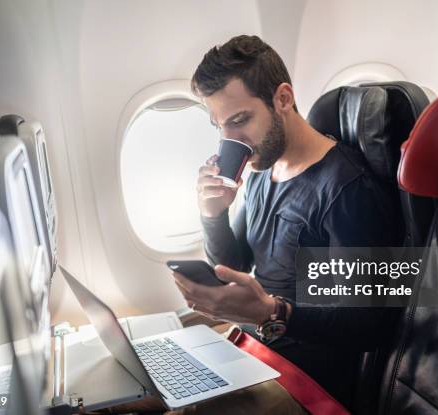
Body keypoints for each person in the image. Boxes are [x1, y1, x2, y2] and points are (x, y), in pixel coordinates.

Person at [172, 34, 402, 411]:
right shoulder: (264, 171)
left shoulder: (346, 191)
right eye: (220, 127)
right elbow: (234, 266)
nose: (232, 141)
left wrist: (271, 312)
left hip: (305, 383)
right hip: (252, 354)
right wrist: (213, 215)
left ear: (282, 98)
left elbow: (368, 324)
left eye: (240, 120)